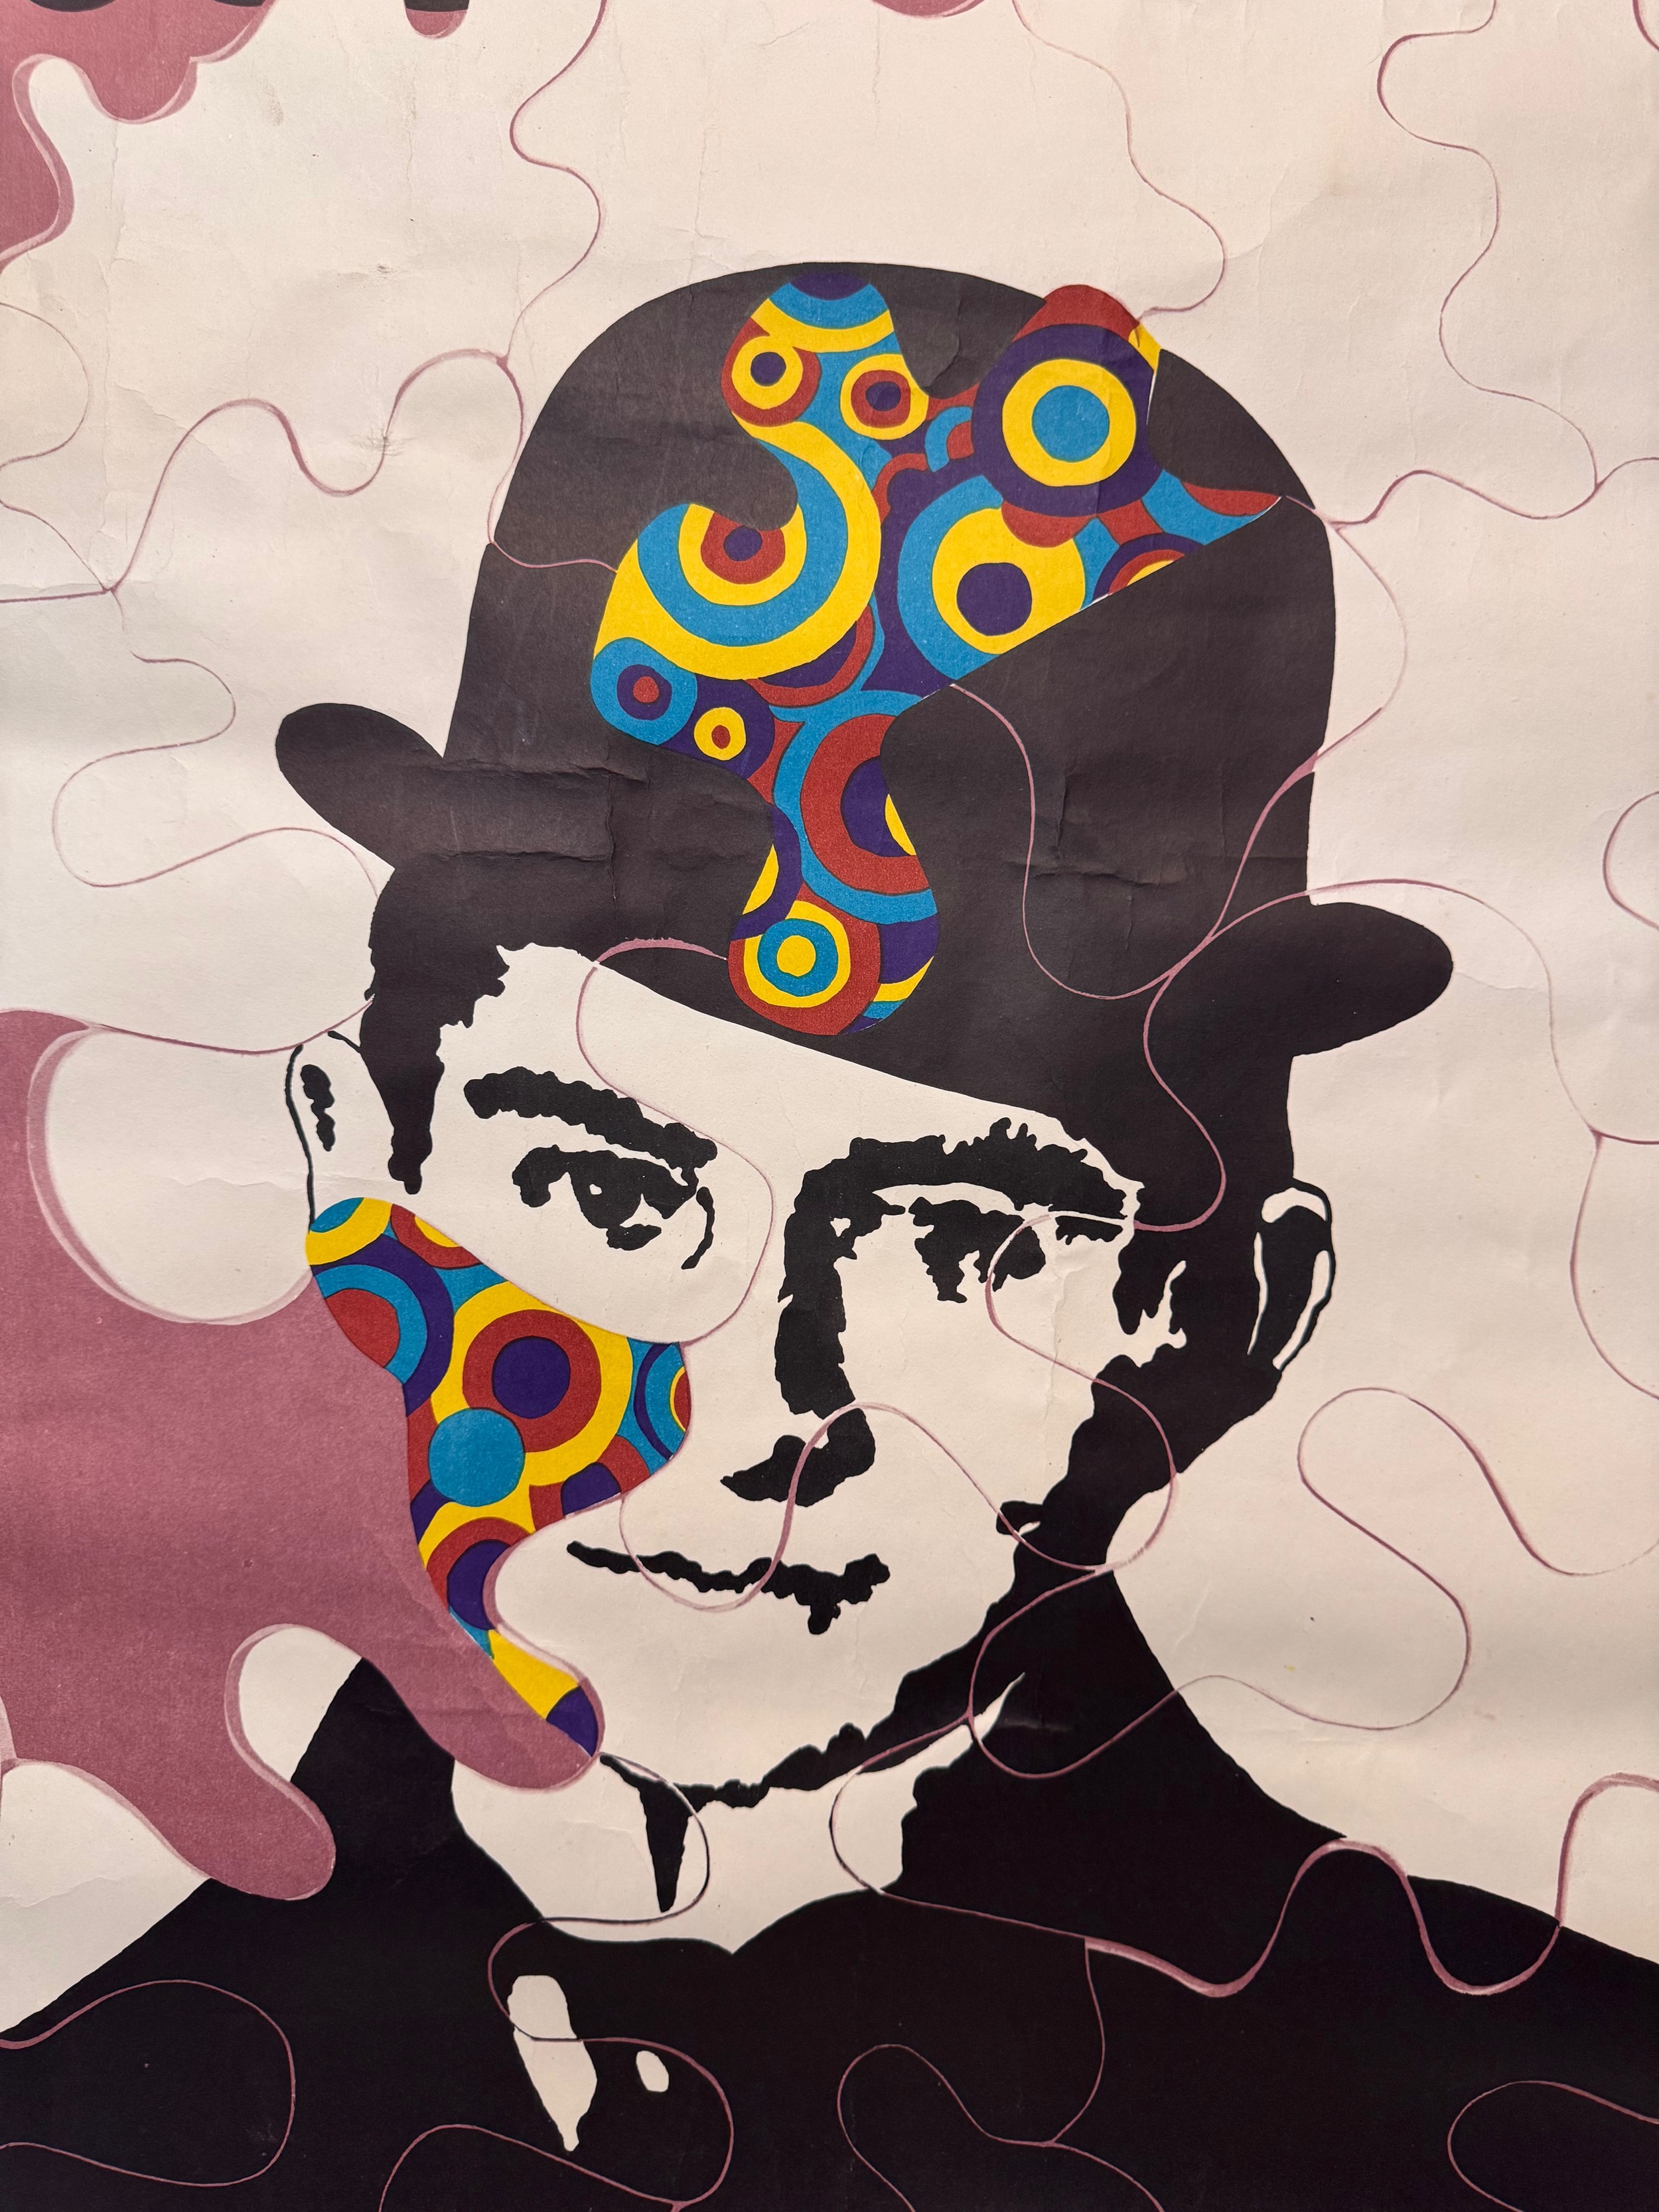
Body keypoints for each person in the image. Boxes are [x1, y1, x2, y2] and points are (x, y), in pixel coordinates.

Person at [5, 265, 1652, 2210]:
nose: (764, 1416)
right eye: (611, 1196)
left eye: (966, 1244)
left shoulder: (1560, 2127)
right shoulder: (74, 2125)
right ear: (353, 1169)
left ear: (1232, 1315)